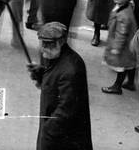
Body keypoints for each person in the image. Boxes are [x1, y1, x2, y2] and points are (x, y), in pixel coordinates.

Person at [28, 21, 93, 150]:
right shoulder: (58, 58)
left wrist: (48, 133)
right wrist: (42, 73)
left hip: (62, 138)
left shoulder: (71, 70)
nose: (43, 48)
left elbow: (65, 111)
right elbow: (55, 80)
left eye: (48, 44)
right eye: (43, 43)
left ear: (61, 42)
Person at [102, 0, 137, 94]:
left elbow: (121, 33)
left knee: (120, 66)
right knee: (130, 64)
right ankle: (130, 83)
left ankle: (117, 87)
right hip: (130, 44)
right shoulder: (125, 7)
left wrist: (116, 48)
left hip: (123, 46)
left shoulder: (123, 15)